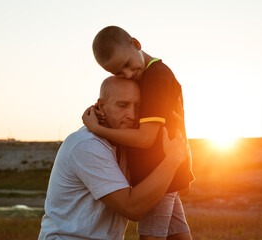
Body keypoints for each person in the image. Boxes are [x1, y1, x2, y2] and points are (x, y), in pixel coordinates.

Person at [38, 77, 189, 240]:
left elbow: (174, 193)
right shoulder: (86, 145)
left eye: (138, 107)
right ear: (101, 105)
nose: (131, 115)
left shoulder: (128, 144)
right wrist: (173, 159)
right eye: (122, 105)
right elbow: (132, 208)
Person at [83, 25, 194, 240]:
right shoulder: (151, 75)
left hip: (156, 175)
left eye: (127, 65)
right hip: (165, 173)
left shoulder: (155, 78)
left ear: (136, 44)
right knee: (178, 235)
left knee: (151, 236)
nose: (127, 75)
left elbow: (145, 138)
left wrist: (97, 129)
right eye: (118, 73)